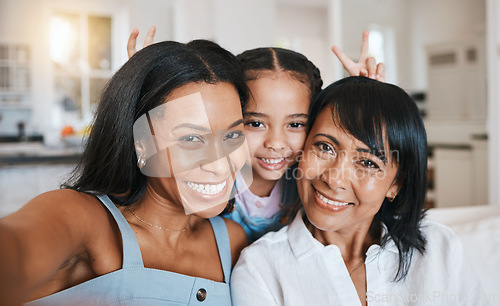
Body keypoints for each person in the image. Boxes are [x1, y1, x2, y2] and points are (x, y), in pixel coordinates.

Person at [0, 39, 249, 305]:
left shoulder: (231, 241)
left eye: (233, 135)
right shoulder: (82, 218)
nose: (220, 165)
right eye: (190, 139)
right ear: (141, 143)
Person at [230, 76, 490, 305]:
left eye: (367, 163)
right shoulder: (259, 269)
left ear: (396, 184)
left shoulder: (439, 248)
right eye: (324, 147)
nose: (334, 179)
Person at [128, 28, 385, 243]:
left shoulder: (312, 184)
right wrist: (147, 92)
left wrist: (364, 104)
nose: (275, 143)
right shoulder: (212, 175)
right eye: (255, 123)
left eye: (295, 125)